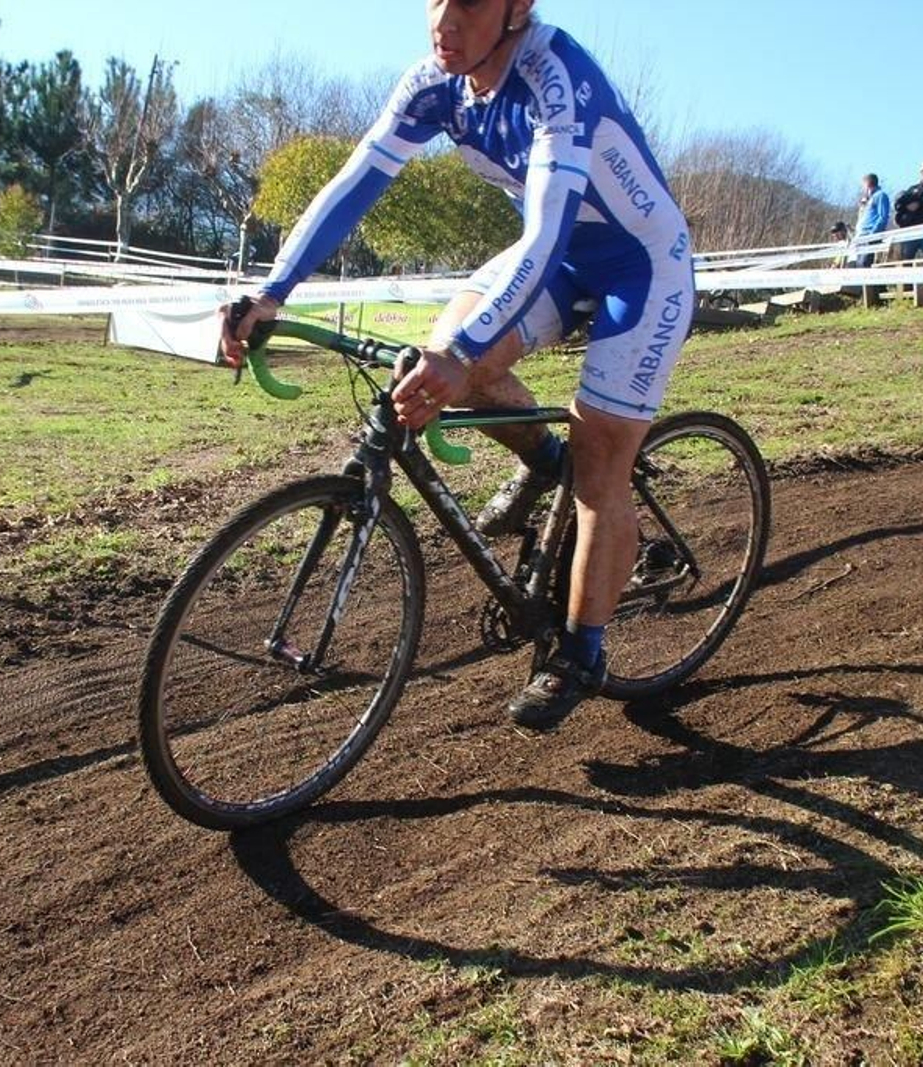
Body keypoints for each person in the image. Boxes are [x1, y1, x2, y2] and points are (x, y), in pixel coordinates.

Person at [220, 0, 695, 731]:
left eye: (468, 1)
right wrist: (272, 291)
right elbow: (356, 182)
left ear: (517, 8)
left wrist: (464, 351)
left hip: (640, 267)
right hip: (558, 261)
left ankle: (583, 651)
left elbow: (543, 232)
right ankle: (543, 460)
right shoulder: (436, 83)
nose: (444, 18)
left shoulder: (554, 80)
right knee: (432, 364)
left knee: (601, 460)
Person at [853, 173, 891, 267]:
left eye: (863, 185)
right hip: (860, 237)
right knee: (857, 265)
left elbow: (883, 217)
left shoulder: (881, 195)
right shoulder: (868, 199)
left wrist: (873, 234)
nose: (863, 189)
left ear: (868, 184)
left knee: (863, 264)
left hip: (869, 235)